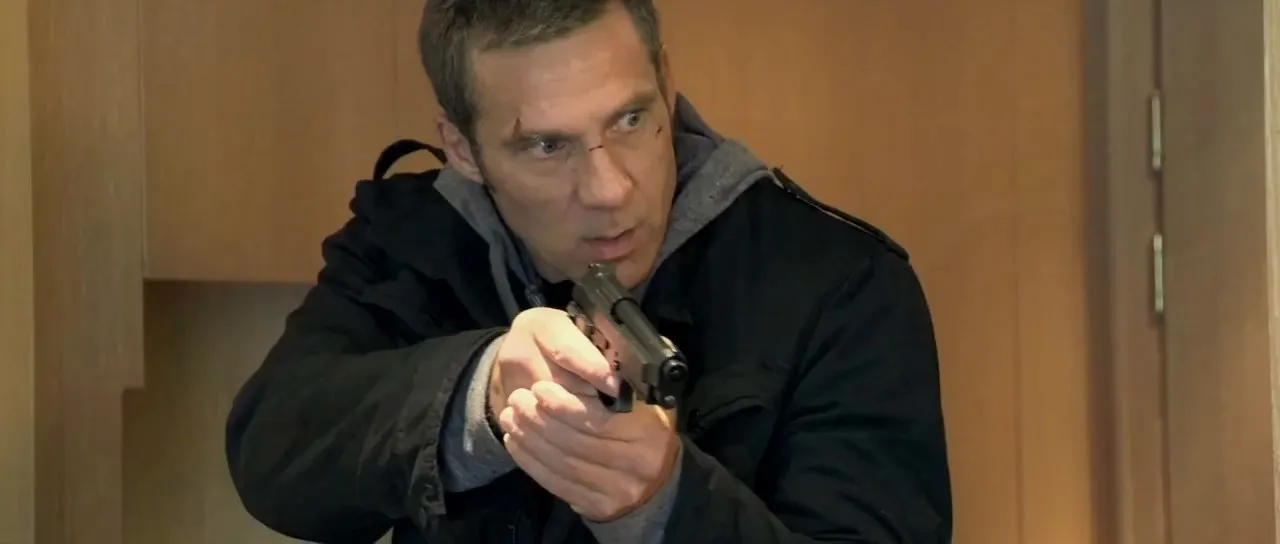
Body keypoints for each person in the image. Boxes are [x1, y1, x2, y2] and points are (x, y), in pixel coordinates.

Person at [224, 0, 953, 542]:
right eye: (547, 146)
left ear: (667, 83)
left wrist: (664, 505)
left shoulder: (841, 281)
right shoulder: (413, 238)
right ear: (464, 149)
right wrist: (481, 395)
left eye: (630, 120)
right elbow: (273, 455)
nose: (609, 190)